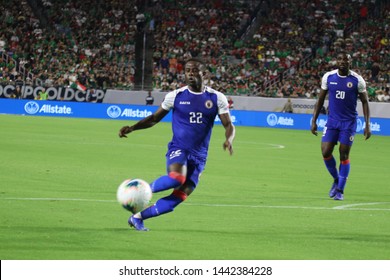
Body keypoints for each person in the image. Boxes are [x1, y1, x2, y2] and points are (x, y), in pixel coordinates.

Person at [119, 58, 235, 231]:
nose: (190, 74)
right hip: (179, 149)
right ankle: (140, 191)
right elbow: (153, 119)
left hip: (200, 156)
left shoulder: (217, 98)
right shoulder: (176, 96)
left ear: (204, 73)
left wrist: (229, 139)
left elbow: (228, 125)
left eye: (195, 70)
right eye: (187, 70)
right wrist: (133, 128)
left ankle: (138, 218)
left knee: (179, 196)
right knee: (177, 178)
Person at [311, 51, 371, 201]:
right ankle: (337, 179)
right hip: (332, 121)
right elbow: (320, 99)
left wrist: (367, 125)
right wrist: (314, 120)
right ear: (336, 61)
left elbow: (365, 102)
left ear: (350, 62)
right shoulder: (328, 77)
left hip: (348, 123)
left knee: (344, 154)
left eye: (346, 59)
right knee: (325, 152)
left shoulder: (357, 80)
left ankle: (340, 190)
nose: (343, 61)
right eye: (340, 58)